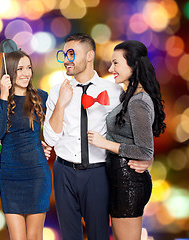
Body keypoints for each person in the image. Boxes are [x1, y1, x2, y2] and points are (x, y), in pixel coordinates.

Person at [43, 33, 153, 240]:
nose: (66, 60)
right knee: (69, 235)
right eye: (64, 54)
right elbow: (50, 138)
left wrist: (147, 156)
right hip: (64, 171)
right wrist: (61, 103)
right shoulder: (57, 90)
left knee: (99, 234)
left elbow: (133, 131)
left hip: (98, 172)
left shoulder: (114, 91)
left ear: (89, 56)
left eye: (71, 54)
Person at [88, 40, 166, 240]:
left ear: (132, 65)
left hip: (128, 183)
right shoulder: (129, 96)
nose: (110, 68)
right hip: (121, 180)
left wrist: (104, 143)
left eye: (115, 63)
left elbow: (145, 151)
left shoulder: (138, 101)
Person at [0, 50, 52, 240]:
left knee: (34, 236)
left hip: (37, 174)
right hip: (10, 176)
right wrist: (3, 95)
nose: (26, 73)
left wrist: (46, 143)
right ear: (8, 71)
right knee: (17, 237)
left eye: (29, 68)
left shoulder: (41, 96)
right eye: (20, 69)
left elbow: (57, 128)